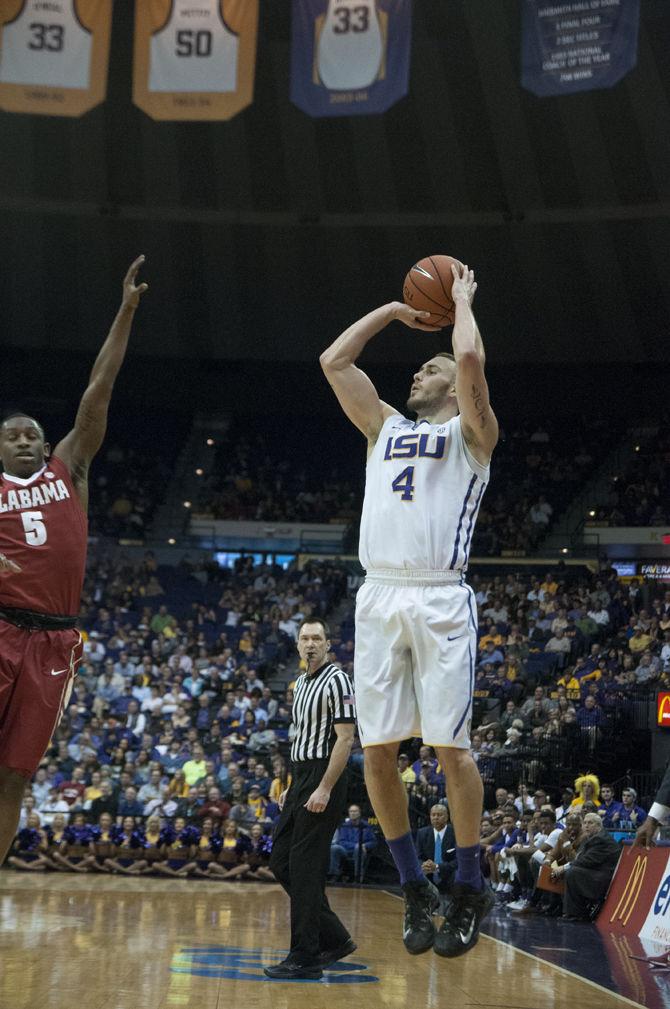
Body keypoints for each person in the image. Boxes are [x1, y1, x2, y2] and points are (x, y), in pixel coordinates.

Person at [320, 262, 497, 957]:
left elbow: (473, 355)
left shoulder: (472, 436)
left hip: (440, 596)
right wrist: (395, 311)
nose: (415, 376)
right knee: (377, 750)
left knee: (452, 749)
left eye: (430, 368)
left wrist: (458, 307)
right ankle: (414, 884)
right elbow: (334, 360)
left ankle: (468, 882)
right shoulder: (383, 427)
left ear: (454, 386)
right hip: (378, 594)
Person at [0, 256, 148, 867]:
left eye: (33, 432)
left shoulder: (69, 470)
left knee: (15, 779)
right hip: (2, 627)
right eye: (13, 435)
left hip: (56, 643)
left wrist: (126, 311)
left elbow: (97, 393)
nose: (27, 438)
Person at [265, 618, 357, 980]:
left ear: (328, 644)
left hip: (325, 776)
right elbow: (302, 736)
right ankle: (334, 937)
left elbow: (345, 738)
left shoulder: (339, 680)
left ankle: (305, 956)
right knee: (281, 862)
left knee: (304, 870)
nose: (310, 644)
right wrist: (294, 783)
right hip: (302, 776)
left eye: (317, 638)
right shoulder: (300, 683)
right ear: (297, 645)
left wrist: (324, 787)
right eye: (304, 638)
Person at [551, 813, 621, 920]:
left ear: (599, 826)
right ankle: (559, 908)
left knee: (572, 872)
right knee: (566, 871)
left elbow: (586, 861)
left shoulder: (600, 839)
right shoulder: (591, 838)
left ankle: (576, 914)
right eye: (585, 823)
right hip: (595, 873)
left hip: (602, 878)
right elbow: (578, 858)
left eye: (590, 823)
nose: (586, 825)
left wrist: (564, 867)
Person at [414, 804, 457, 897]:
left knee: (458, 874)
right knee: (413, 875)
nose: (436, 818)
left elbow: (458, 861)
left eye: (439, 815)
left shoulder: (455, 833)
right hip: (428, 873)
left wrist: (437, 867)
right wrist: (424, 865)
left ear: (447, 817)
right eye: (433, 815)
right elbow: (418, 856)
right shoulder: (422, 833)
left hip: (449, 874)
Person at [329, 803, 377, 883]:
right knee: (334, 848)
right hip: (345, 850)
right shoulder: (344, 826)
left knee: (358, 849)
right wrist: (356, 845)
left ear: (359, 813)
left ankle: (357, 877)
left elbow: (373, 842)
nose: (353, 813)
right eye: (351, 811)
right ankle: (334, 875)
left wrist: (364, 845)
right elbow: (341, 841)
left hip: (360, 851)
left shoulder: (366, 826)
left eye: (355, 811)